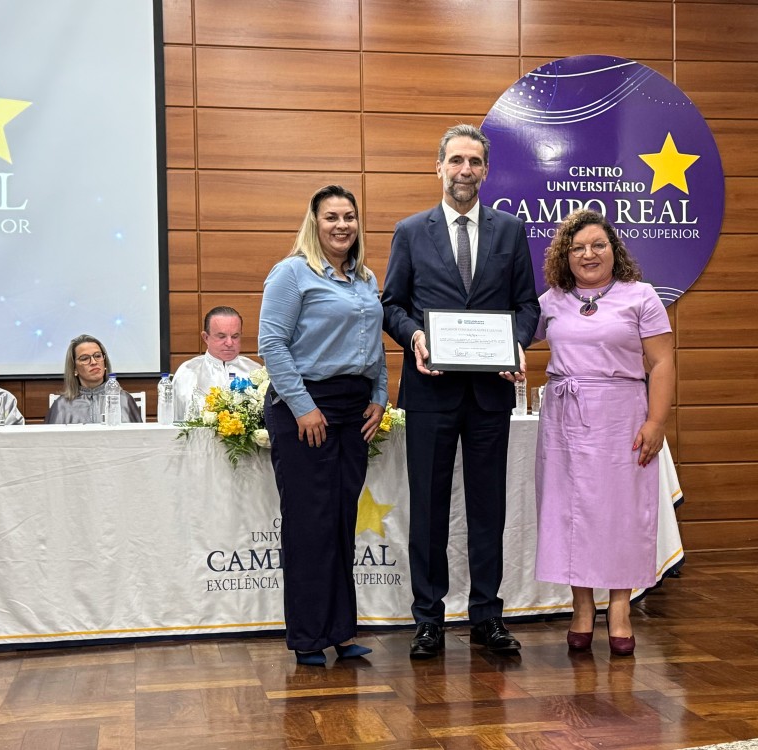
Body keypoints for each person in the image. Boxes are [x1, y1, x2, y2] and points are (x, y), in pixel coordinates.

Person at [381, 124, 541, 658]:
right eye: (456, 160)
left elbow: (527, 306)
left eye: (474, 161)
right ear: (439, 166)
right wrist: (417, 337)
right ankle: (427, 618)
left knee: (488, 509)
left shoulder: (511, 231)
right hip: (429, 394)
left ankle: (486, 616)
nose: (465, 170)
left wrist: (517, 344)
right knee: (426, 509)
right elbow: (391, 306)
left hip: (491, 396)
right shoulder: (410, 230)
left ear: (486, 170)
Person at [533, 208, 675, 657]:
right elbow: (515, 338)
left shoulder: (641, 296)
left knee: (620, 513)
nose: (588, 254)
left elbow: (663, 362)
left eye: (598, 245)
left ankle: (619, 608)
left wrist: (655, 421)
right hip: (563, 416)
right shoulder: (552, 299)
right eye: (577, 248)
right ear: (564, 255)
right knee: (570, 513)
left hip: (622, 415)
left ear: (614, 250)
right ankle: (580, 608)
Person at [259, 184, 388, 666]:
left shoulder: (364, 278)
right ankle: (309, 637)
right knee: (308, 527)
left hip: (354, 411)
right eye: (331, 217)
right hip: (305, 410)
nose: (342, 225)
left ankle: (340, 632)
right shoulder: (292, 274)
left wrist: (379, 397)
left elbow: (371, 345)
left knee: (339, 525)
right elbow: (271, 344)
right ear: (314, 222)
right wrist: (303, 406)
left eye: (349, 217)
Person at [173, 307, 259, 421]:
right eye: (221, 336)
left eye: (235, 336)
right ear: (206, 337)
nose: (229, 343)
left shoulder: (256, 372)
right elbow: (172, 427)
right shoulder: (187, 372)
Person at [44, 334, 142, 424]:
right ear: (74, 368)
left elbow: (141, 439)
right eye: (85, 358)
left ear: (105, 363)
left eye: (98, 356)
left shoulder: (124, 399)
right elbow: (49, 441)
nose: (94, 362)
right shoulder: (61, 405)